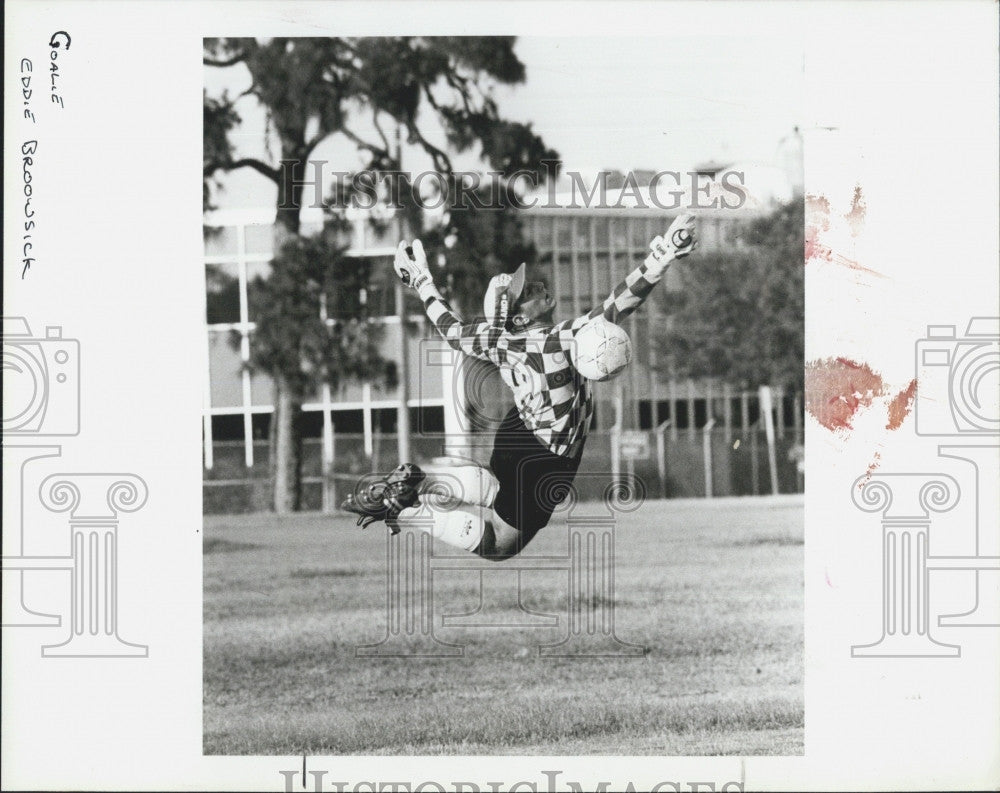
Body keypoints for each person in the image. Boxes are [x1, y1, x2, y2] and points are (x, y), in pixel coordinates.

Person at [342, 212, 698, 560]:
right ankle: (405, 508)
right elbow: (620, 302)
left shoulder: (497, 341)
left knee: (498, 489)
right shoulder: (561, 339)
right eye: (526, 291)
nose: (537, 285)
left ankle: (422, 480)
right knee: (500, 545)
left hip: (517, 434)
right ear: (519, 316)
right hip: (544, 458)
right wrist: (663, 254)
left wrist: (421, 280)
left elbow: (450, 329)